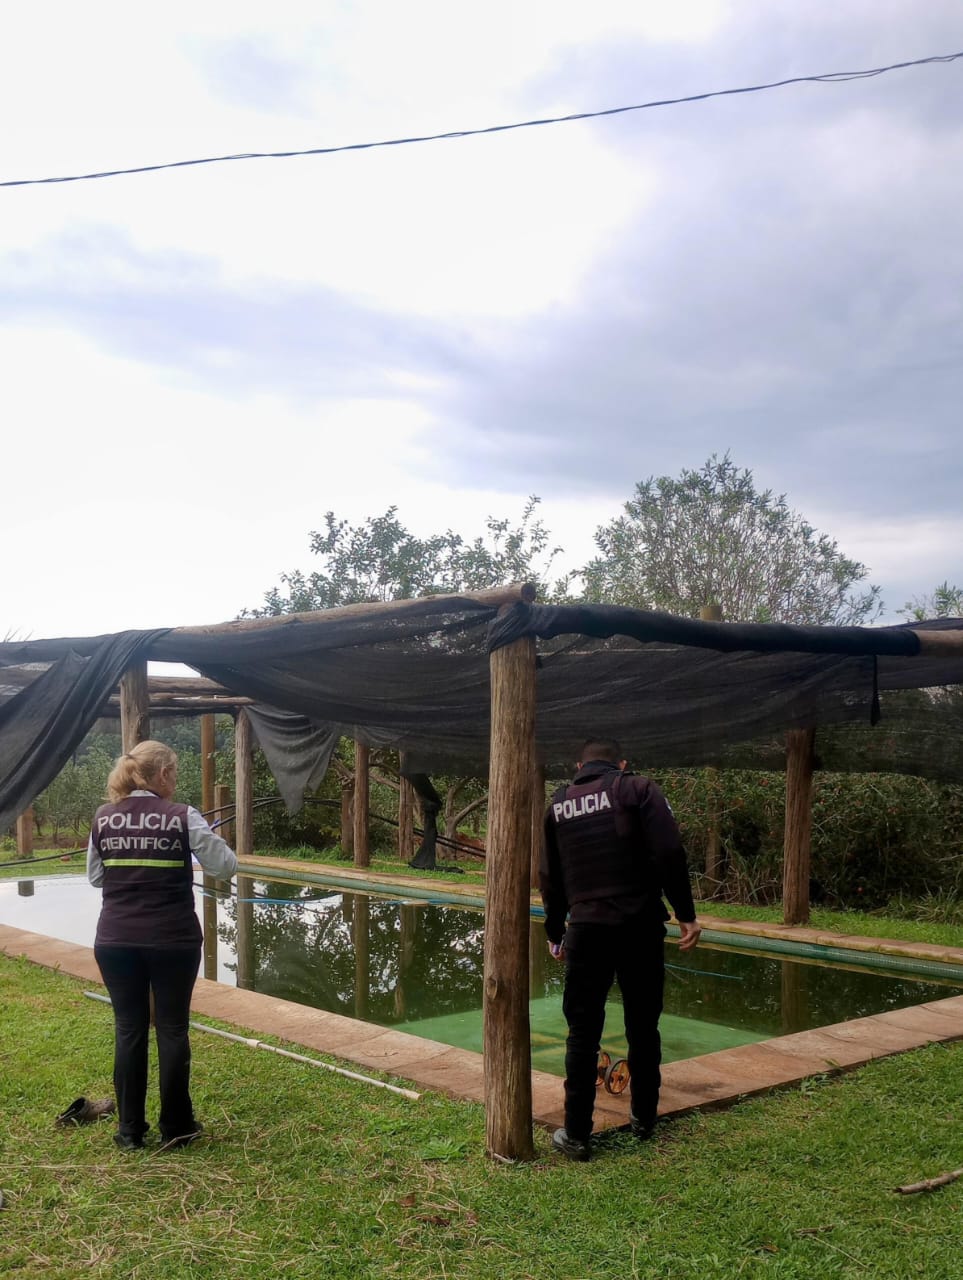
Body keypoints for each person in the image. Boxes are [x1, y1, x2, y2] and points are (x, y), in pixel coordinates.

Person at [539, 737, 701, 1161]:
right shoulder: (639, 788)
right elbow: (669, 850)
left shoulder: (558, 805)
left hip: (587, 929)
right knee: (643, 1026)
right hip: (640, 927)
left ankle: (576, 1136)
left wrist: (555, 932)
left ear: (578, 765)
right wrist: (685, 912)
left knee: (582, 1033)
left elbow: (550, 877)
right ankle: (644, 1119)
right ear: (621, 763)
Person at [87, 740, 237, 1151]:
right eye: (174, 773)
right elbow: (225, 865)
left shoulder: (103, 817)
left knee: (129, 1029)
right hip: (173, 940)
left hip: (115, 940)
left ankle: (130, 1132)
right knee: (172, 1029)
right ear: (164, 775)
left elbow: (97, 878)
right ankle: (177, 1127)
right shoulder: (182, 816)